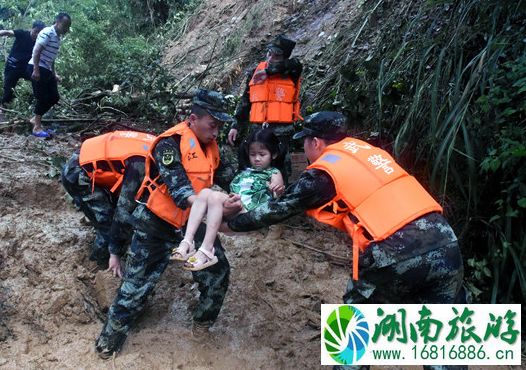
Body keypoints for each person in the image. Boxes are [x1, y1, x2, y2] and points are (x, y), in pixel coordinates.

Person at [223, 112, 467, 370]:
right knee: (443, 339)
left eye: (304, 142)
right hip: (445, 244)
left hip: (394, 250)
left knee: (355, 329)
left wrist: (229, 225)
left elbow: (277, 209)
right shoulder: (365, 151)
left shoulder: (326, 170)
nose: (305, 149)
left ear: (315, 142)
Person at [95, 89, 241, 359]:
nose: (217, 132)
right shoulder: (169, 144)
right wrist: (218, 205)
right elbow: (181, 192)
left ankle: (202, 327)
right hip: (156, 225)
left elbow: (231, 177)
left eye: (221, 126)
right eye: (213, 125)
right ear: (193, 118)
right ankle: (107, 344)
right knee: (135, 288)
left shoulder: (211, 145)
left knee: (218, 273)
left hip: (191, 226)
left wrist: (252, 189)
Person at [171, 129, 286, 271]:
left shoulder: (273, 172)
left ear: (274, 154)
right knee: (205, 193)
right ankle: (188, 241)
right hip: (235, 206)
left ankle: (207, 250)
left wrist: (278, 189)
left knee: (213, 195)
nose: (257, 159)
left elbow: (278, 196)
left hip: (250, 212)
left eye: (262, 155)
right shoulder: (246, 172)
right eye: (253, 154)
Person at [61, 131, 156, 275]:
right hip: (78, 172)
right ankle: (98, 266)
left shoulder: (159, 146)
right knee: (107, 223)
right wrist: (114, 253)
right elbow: (123, 210)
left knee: (122, 217)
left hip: (91, 159)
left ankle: (112, 247)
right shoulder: (141, 164)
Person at [227, 35, 303, 184]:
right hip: (258, 132)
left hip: (281, 134)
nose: (271, 58)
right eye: (269, 53)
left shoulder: (291, 71)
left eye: (277, 56)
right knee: (255, 170)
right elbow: (245, 101)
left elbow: (295, 64)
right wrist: (235, 125)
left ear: (284, 58)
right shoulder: (255, 72)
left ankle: (280, 202)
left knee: (282, 173)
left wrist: (269, 72)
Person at [27, 13, 71, 138]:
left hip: (46, 68)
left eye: (68, 26)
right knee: (43, 97)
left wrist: (54, 74)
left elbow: (52, 58)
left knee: (54, 97)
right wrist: (36, 70)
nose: (66, 28)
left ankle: (35, 119)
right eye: (65, 25)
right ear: (57, 21)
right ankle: (37, 127)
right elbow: (37, 51)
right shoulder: (47, 32)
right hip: (37, 66)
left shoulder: (59, 37)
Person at [0, 21, 45, 115]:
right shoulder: (22, 33)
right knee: (8, 90)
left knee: (38, 80)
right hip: (13, 66)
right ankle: (3, 111)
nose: (36, 34)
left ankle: (39, 106)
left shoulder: (40, 41)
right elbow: (8, 32)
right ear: (31, 28)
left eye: (39, 33)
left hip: (26, 69)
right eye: (35, 31)